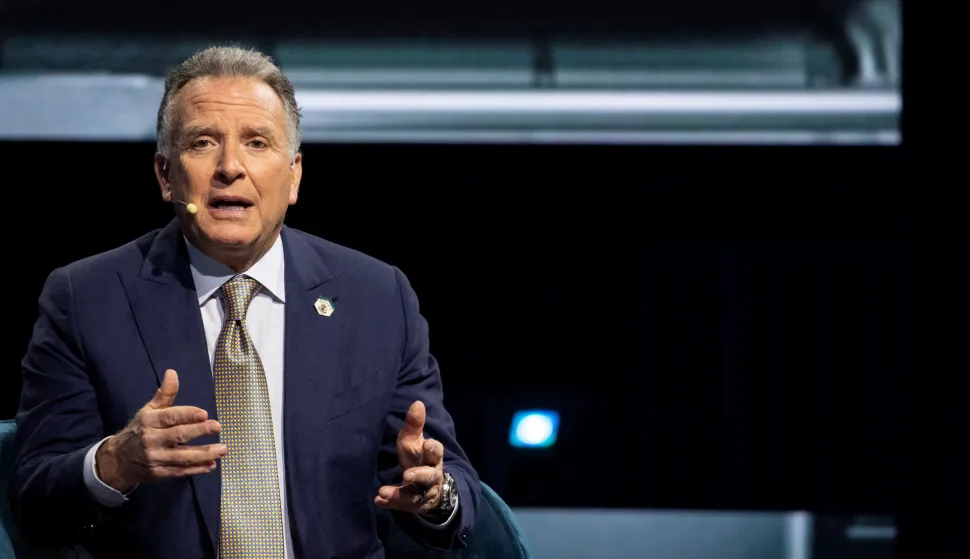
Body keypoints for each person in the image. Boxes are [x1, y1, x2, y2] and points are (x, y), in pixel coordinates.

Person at [8, 45, 479, 558]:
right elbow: (33, 500)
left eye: (257, 143)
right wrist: (115, 463)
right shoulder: (85, 298)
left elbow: (454, 491)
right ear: (166, 175)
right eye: (204, 142)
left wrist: (436, 494)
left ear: (294, 176)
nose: (230, 167)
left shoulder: (376, 298)